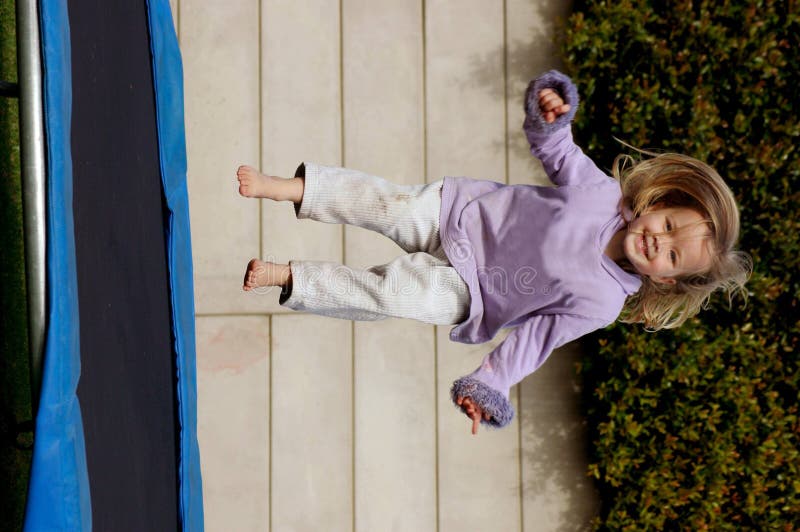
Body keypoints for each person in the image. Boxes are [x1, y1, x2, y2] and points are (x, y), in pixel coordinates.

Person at [237, 70, 751, 435]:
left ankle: (290, 278)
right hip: (460, 213)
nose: (658, 242)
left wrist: (489, 387)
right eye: (665, 226)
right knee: (382, 201)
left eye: (672, 257)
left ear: (665, 280)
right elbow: (556, 150)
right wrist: (552, 112)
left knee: (390, 297)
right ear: (656, 204)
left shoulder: (602, 303)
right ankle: (286, 188)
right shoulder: (601, 195)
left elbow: (535, 342)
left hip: (470, 294)